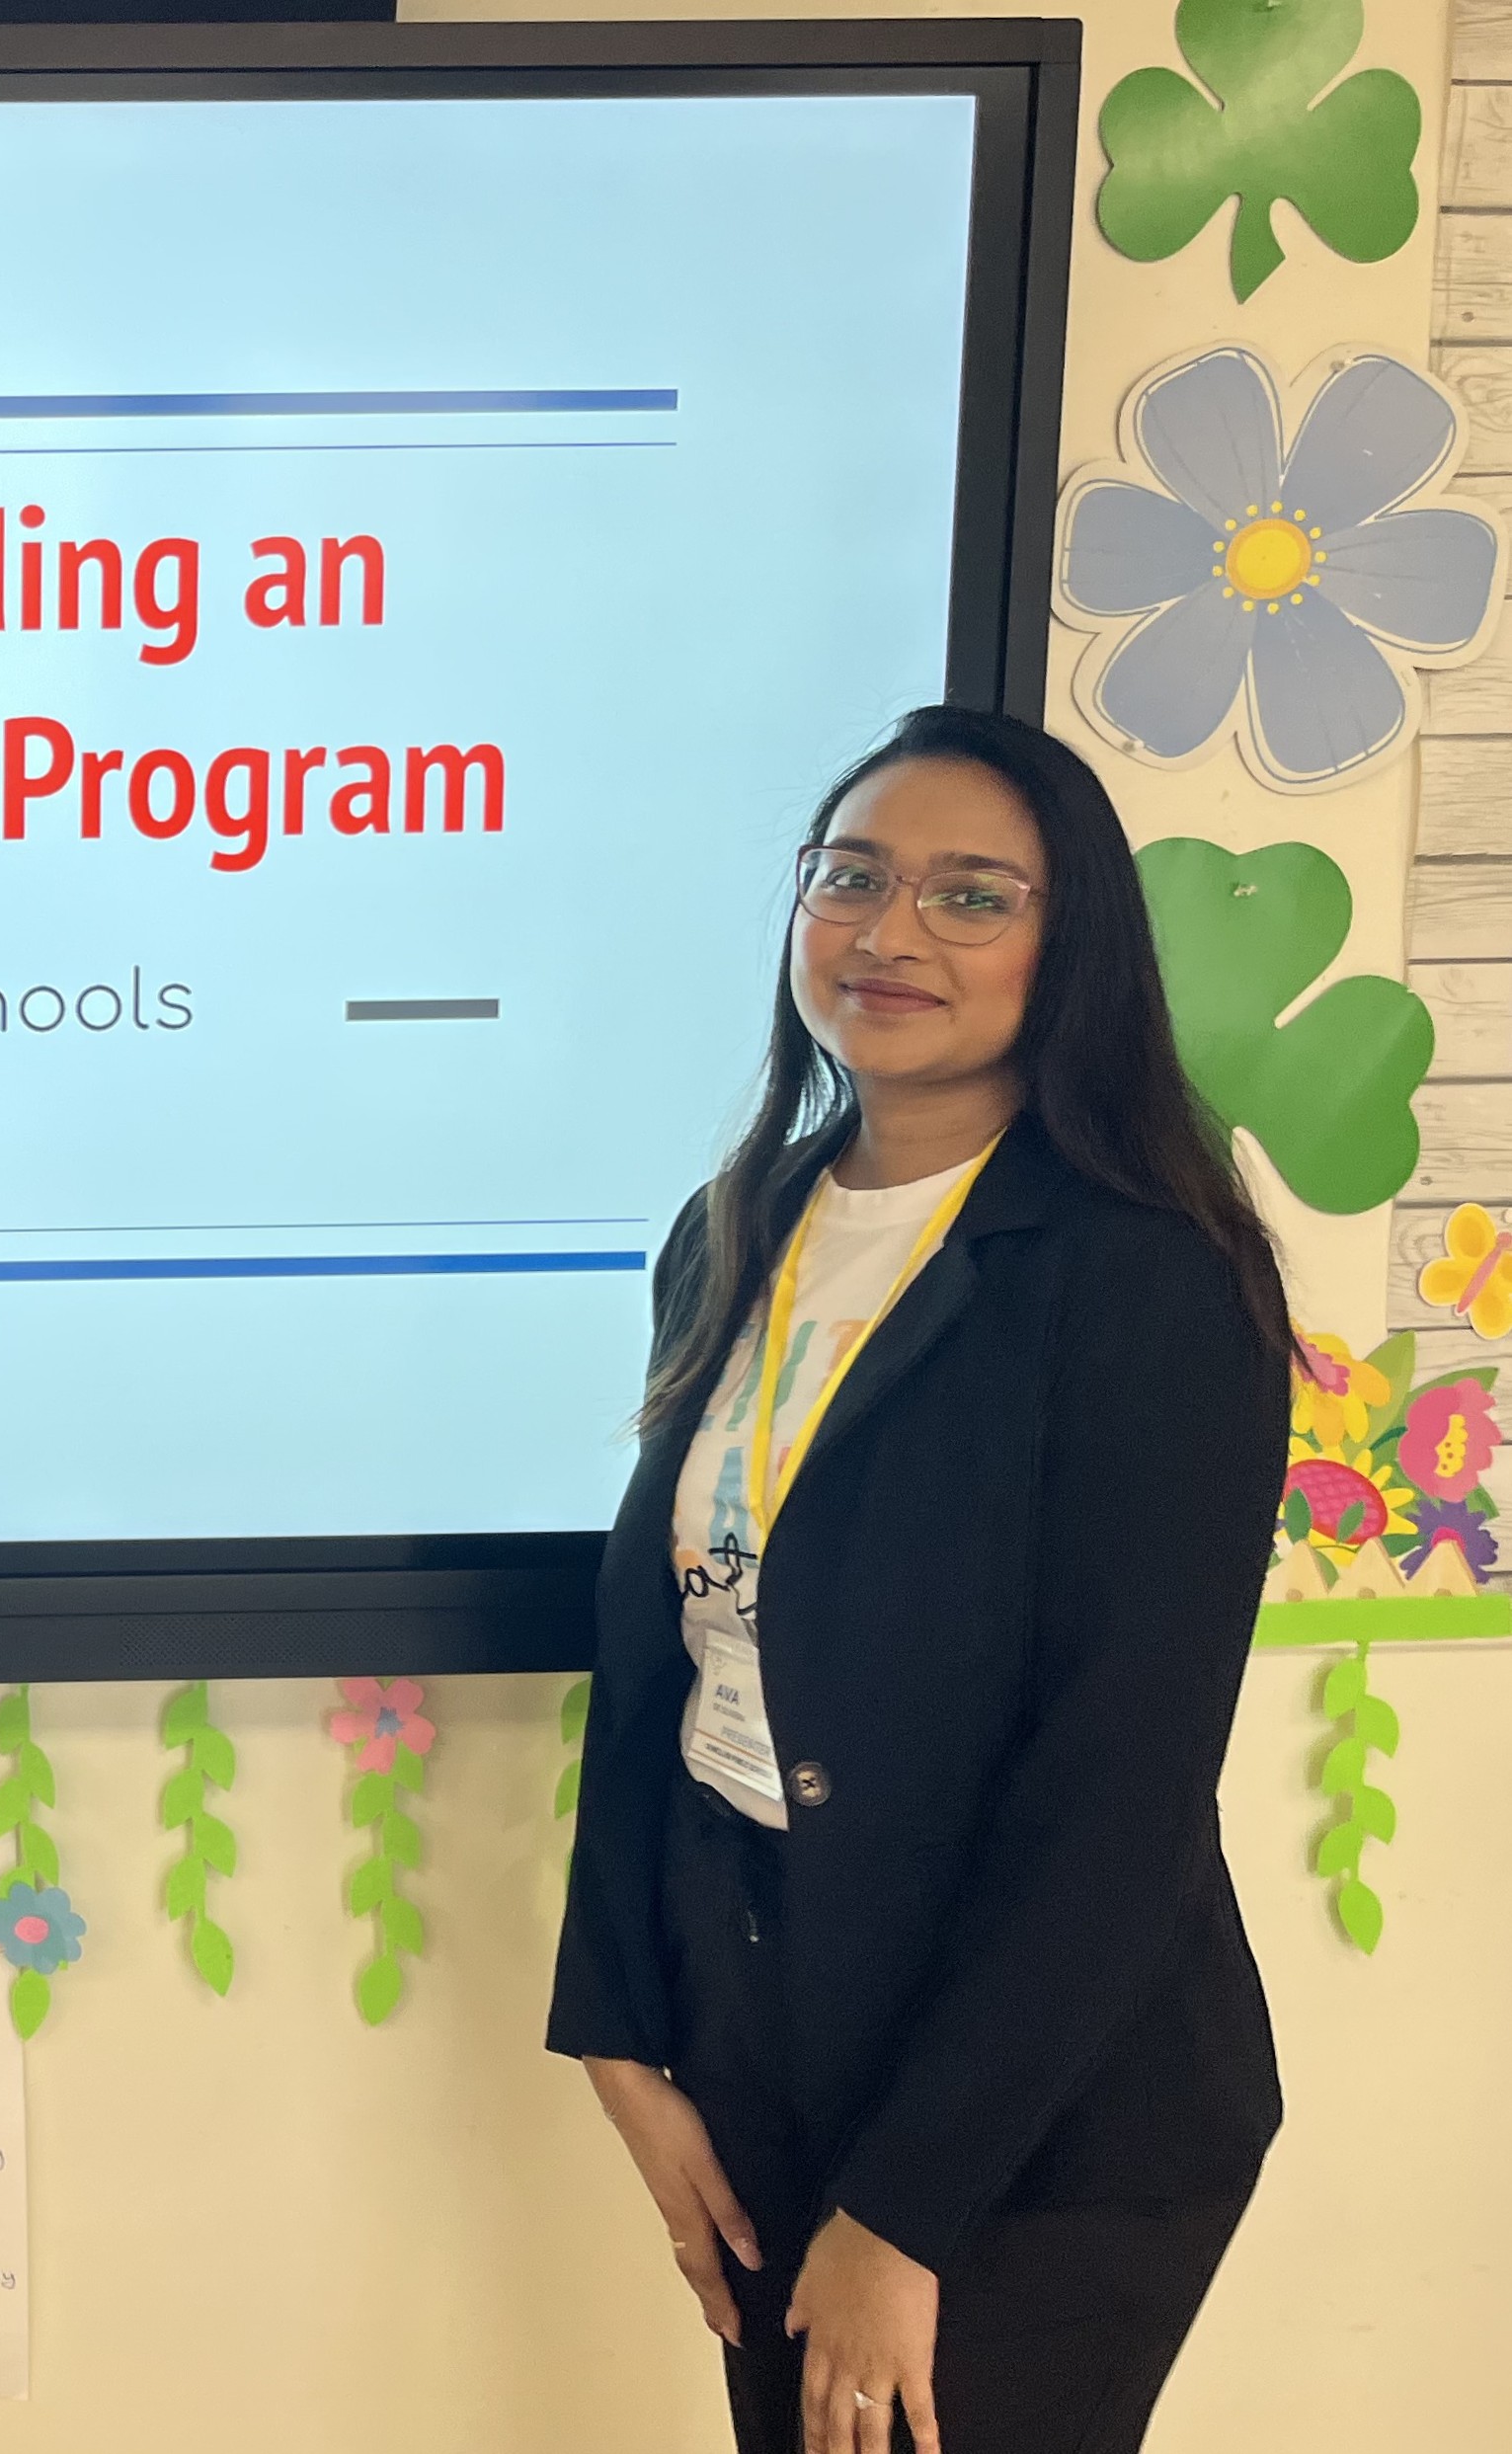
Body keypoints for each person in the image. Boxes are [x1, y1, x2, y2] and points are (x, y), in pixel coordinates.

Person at [548, 705, 1289, 2454]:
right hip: (763, 2015)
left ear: (1073, 941)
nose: (889, 934)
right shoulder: (742, 1219)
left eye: (972, 895)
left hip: (1040, 2103)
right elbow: (664, 1657)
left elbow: (1122, 1789)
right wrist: (621, 2037)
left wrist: (908, 2211)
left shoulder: (1146, 1276)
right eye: (852, 877)